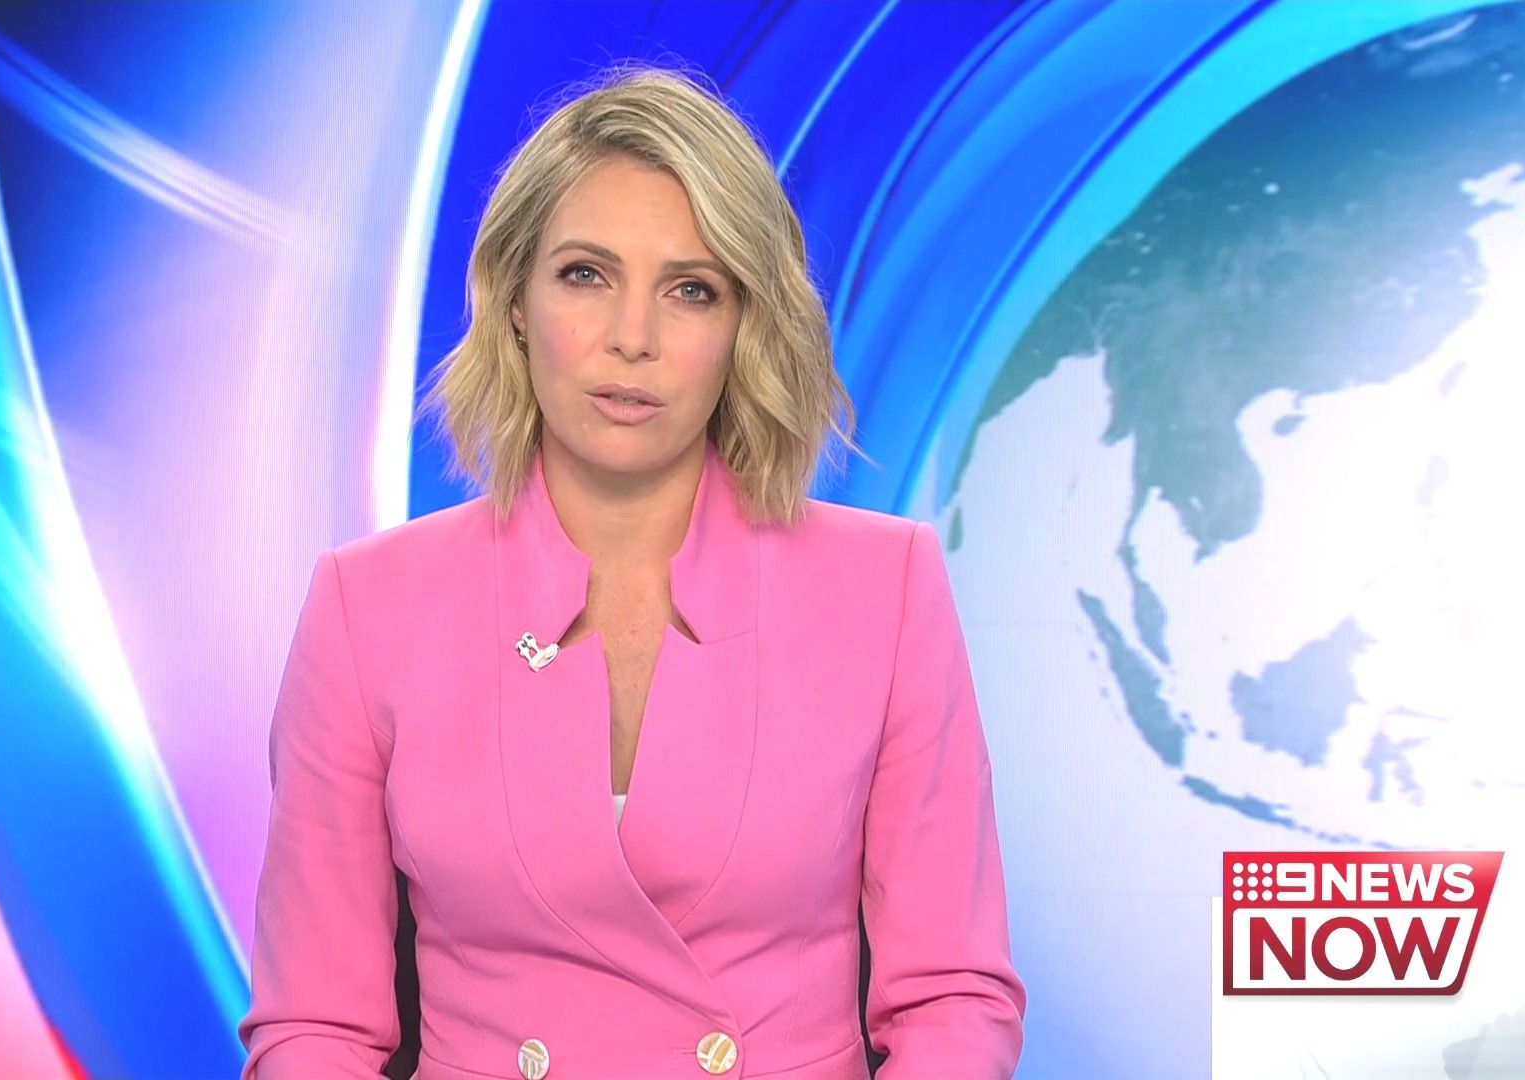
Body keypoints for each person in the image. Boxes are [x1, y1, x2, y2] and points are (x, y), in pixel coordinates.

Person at [238, 62, 1025, 1080]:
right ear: (513, 300)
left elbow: (951, 1000)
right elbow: (315, 1029)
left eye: (691, 290)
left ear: (744, 326)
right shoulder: (368, 606)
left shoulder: (888, 588)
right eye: (585, 275)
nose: (633, 339)